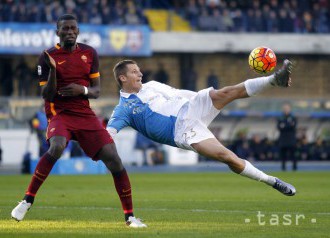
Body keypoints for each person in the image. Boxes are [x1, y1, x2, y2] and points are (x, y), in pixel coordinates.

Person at [11, 14, 146, 228]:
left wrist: (81, 89)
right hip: (59, 113)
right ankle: (27, 200)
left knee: (114, 159)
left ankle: (130, 217)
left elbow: (97, 91)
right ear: (57, 32)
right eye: (65, 29)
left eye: (73, 28)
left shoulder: (89, 53)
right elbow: (46, 95)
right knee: (56, 147)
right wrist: (54, 70)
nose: (70, 32)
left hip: (84, 114)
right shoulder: (47, 57)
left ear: (78, 31)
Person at [107, 59, 296, 200]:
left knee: (225, 93)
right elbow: (107, 135)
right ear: (123, 78)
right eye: (134, 72)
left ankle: (274, 80)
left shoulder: (152, 85)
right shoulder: (123, 109)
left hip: (191, 106)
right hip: (182, 130)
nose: (140, 74)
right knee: (227, 157)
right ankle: (272, 181)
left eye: (139, 70)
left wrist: (204, 98)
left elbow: (178, 94)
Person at [277, 103, 298, 171]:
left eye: (287, 108)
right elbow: (279, 127)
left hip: (291, 140)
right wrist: (289, 125)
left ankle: (294, 169)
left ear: (290, 109)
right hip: (283, 140)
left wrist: (284, 126)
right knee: (283, 156)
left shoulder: (293, 118)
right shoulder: (280, 118)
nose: (286, 110)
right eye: (284, 109)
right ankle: (283, 169)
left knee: (293, 155)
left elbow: (293, 126)